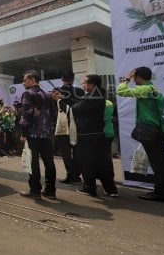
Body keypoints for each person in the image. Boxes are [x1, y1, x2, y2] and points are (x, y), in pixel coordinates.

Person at [117, 67, 164, 202]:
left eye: (134, 77)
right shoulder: (152, 89)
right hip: (159, 130)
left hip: (152, 131)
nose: (133, 79)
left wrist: (127, 78)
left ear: (139, 77)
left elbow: (121, 91)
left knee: (157, 164)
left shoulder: (146, 90)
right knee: (162, 163)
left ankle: (160, 193)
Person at [64, 75, 117, 197]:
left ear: (92, 85)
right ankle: (110, 189)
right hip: (99, 134)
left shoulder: (91, 98)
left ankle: (89, 188)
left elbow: (74, 110)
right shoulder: (99, 97)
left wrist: (59, 101)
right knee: (103, 162)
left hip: (88, 135)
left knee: (87, 162)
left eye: (85, 83)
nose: (83, 85)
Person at [18, 70, 56, 200]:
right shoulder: (46, 95)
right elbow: (52, 114)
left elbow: (26, 114)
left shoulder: (28, 93)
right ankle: (50, 191)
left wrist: (23, 132)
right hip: (46, 133)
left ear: (32, 80)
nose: (23, 82)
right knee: (49, 161)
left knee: (33, 161)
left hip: (33, 133)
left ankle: (35, 191)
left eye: (25, 80)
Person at [52, 71, 84, 184]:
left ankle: (71, 175)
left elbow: (54, 107)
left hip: (63, 123)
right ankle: (77, 174)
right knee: (77, 150)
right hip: (78, 123)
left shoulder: (57, 90)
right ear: (73, 79)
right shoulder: (80, 91)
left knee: (65, 150)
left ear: (62, 78)